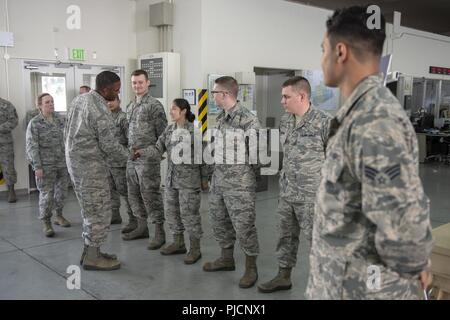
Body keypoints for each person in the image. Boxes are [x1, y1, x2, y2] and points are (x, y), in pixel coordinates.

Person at [306, 6, 433, 299]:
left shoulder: (375, 120)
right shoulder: (357, 114)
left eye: (323, 49)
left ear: (340, 52)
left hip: (363, 289)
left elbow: (402, 223)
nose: (322, 58)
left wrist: (413, 265)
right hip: (340, 281)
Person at [258, 77, 331, 293]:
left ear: (302, 96)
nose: (282, 101)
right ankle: (283, 276)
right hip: (287, 192)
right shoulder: (286, 121)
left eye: (286, 96)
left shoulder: (325, 122)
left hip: (312, 197)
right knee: (285, 237)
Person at [65, 71, 128, 271]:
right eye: (116, 90)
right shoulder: (100, 109)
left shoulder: (80, 99)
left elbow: (67, 131)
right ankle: (93, 258)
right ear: (106, 89)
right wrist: (130, 156)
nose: (118, 93)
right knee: (99, 212)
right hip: (90, 168)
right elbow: (110, 146)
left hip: (76, 165)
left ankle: (91, 251)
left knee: (89, 210)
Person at [202, 76, 261, 288]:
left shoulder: (248, 120)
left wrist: (244, 178)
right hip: (218, 182)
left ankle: (251, 267)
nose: (213, 96)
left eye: (215, 92)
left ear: (225, 94)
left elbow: (256, 157)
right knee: (220, 222)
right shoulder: (220, 118)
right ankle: (226, 259)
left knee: (244, 226)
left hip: (239, 185)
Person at [134, 98, 209, 264]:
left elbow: (203, 158)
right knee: (172, 213)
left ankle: (195, 249)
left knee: (190, 215)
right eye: (171, 109)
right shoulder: (169, 130)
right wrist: (142, 152)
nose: (171, 111)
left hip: (189, 182)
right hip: (171, 181)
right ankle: (178, 242)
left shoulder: (193, 132)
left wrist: (204, 180)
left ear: (183, 111)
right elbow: (157, 148)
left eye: (174, 109)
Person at [123, 69, 168, 251]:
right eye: (134, 82)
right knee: (133, 194)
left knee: (151, 195)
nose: (137, 86)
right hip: (131, 158)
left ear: (148, 83)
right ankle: (142, 227)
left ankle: (159, 231)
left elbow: (162, 135)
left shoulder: (154, 106)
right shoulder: (130, 106)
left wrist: (153, 154)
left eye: (140, 82)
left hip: (147, 160)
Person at [26, 93, 71, 237]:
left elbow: (68, 139)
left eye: (52, 101)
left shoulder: (60, 119)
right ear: (39, 105)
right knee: (47, 195)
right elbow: (32, 146)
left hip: (62, 163)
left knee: (62, 192)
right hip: (45, 165)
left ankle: (59, 215)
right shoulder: (35, 123)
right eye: (47, 102)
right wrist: (37, 166)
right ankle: (46, 222)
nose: (51, 104)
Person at [106, 96, 134, 229]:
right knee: (110, 191)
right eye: (107, 101)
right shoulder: (104, 118)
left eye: (112, 100)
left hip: (121, 163)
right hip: (107, 162)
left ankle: (133, 219)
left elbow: (131, 140)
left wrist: (129, 156)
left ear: (119, 101)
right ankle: (115, 215)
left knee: (125, 191)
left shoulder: (123, 118)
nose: (109, 103)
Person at [0, 97, 18, 203]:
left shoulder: (6, 105)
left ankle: (11, 191)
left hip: (4, 142)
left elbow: (14, 120)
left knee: (8, 166)